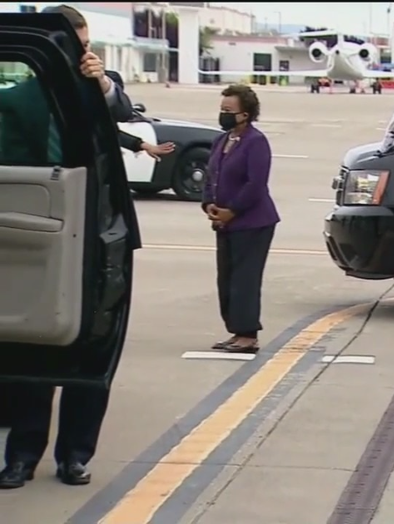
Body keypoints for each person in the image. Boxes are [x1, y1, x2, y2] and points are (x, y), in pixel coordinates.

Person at [0, 4, 139, 490]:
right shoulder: (18, 101)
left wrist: (100, 82)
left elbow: (124, 111)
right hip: (43, 228)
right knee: (32, 346)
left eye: (83, 46)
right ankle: (21, 455)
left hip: (101, 236)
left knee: (95, 348)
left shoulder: (97, 89)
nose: (78, 54)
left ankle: (75, 455)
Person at [202, 84, 279, 353]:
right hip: (224, 223)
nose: (223, 114)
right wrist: (209, 205)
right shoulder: (221, 140)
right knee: (227, 279)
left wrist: (231, 210)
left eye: (228, 110)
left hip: (253, 222)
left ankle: (248, 335)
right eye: (221, 109)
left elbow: (255, 184)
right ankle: (236, 331)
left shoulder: (256, 142)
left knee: (245, 280)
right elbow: (211, 175)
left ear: (245, 114)